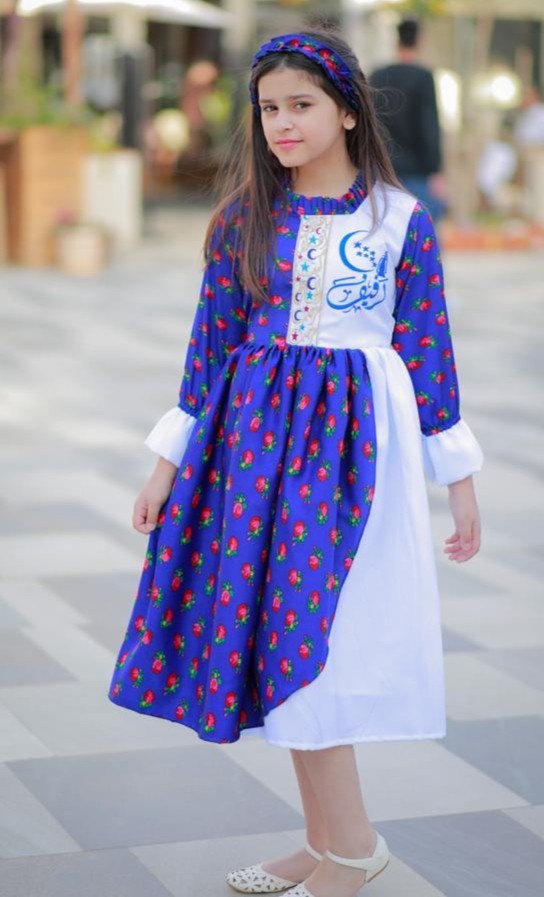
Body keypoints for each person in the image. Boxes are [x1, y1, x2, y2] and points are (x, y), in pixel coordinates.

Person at [107, 27, 483, 897]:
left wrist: (458, 481)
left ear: (347, 111)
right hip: (251, 453)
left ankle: (348, 848)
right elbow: (209, 349)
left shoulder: (399, 220)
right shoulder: (243, 219)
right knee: (278, 634)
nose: (281, 122)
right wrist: (166, 465)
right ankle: (329, 842)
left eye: (301, 105)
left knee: (318, 637)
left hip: (352, 456)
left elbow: (428, 351)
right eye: (269, 107)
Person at [370, 17, 447, 221]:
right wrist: (435, 170)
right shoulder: (423, 77)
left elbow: (371, 124)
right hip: (417, 172)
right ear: (420, 42)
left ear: (397, 42)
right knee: (421, 230)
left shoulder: (378, 75)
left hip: (382, 169)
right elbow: (429, 126)